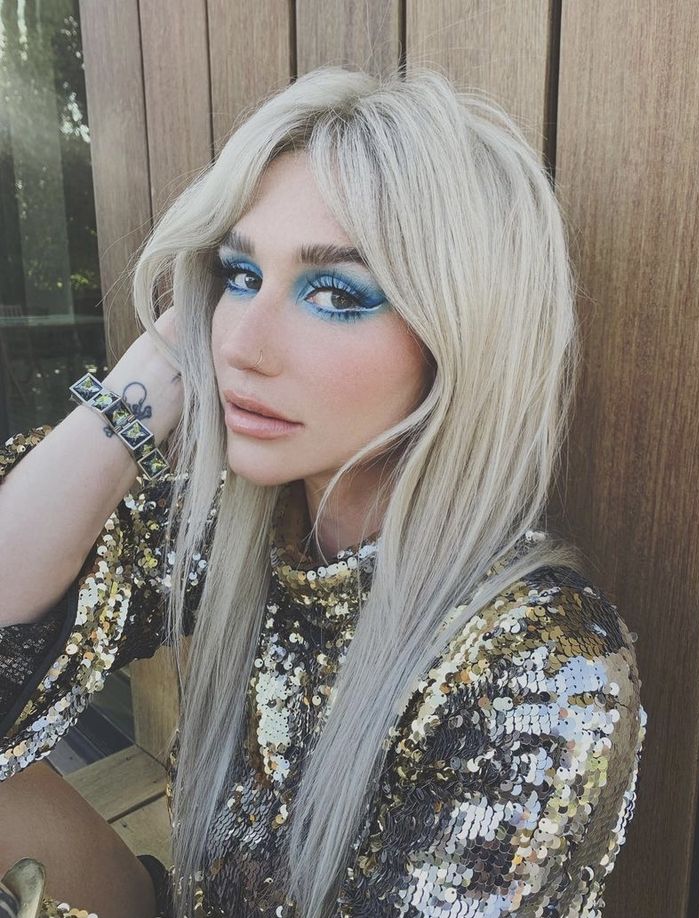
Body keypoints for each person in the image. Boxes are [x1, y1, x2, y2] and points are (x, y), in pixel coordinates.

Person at [0, 65, 647, 918]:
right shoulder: (250, 524)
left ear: (459, 340)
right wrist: (158, 366)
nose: (244, 344)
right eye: (239, 275)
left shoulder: (544, 668)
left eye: (335, 291)